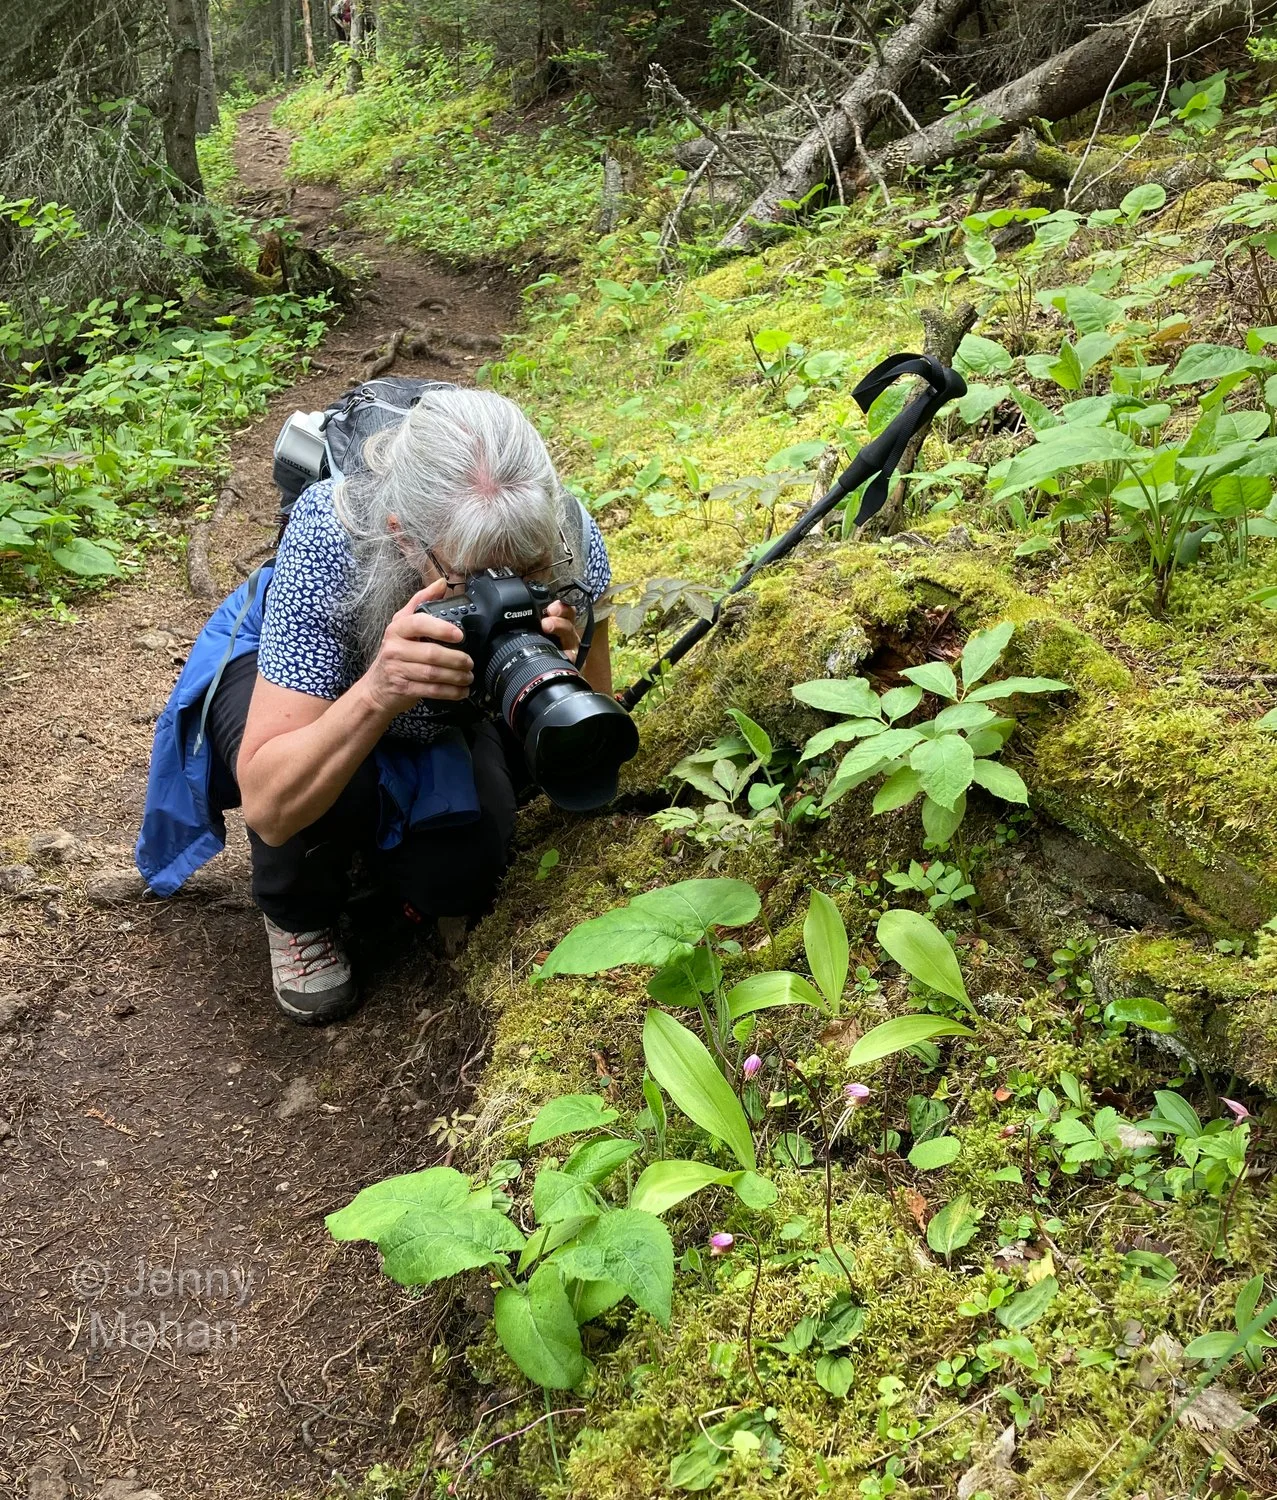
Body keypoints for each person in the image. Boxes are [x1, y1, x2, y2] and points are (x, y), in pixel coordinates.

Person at [136, 387, 613, 1025]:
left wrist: (559, 660)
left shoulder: (570, 538)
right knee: (325, 795)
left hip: (436, 703)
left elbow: (594, 711)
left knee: (463, 877)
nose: (508, 589)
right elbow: (270, 804)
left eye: (527, 570)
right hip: (304, 675)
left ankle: (383, 856)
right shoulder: (333, 536)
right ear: (407, 540)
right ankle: (295, 911)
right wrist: (378, 690)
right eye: (475, 578)